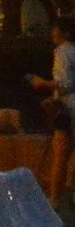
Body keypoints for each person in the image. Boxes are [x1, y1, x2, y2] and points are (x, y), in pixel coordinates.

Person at [34, 17, 75, 197]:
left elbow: (64, 83)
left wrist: (42, 83)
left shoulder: (62, 52)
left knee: (60, 156)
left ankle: (55, 200)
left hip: (68, 109)